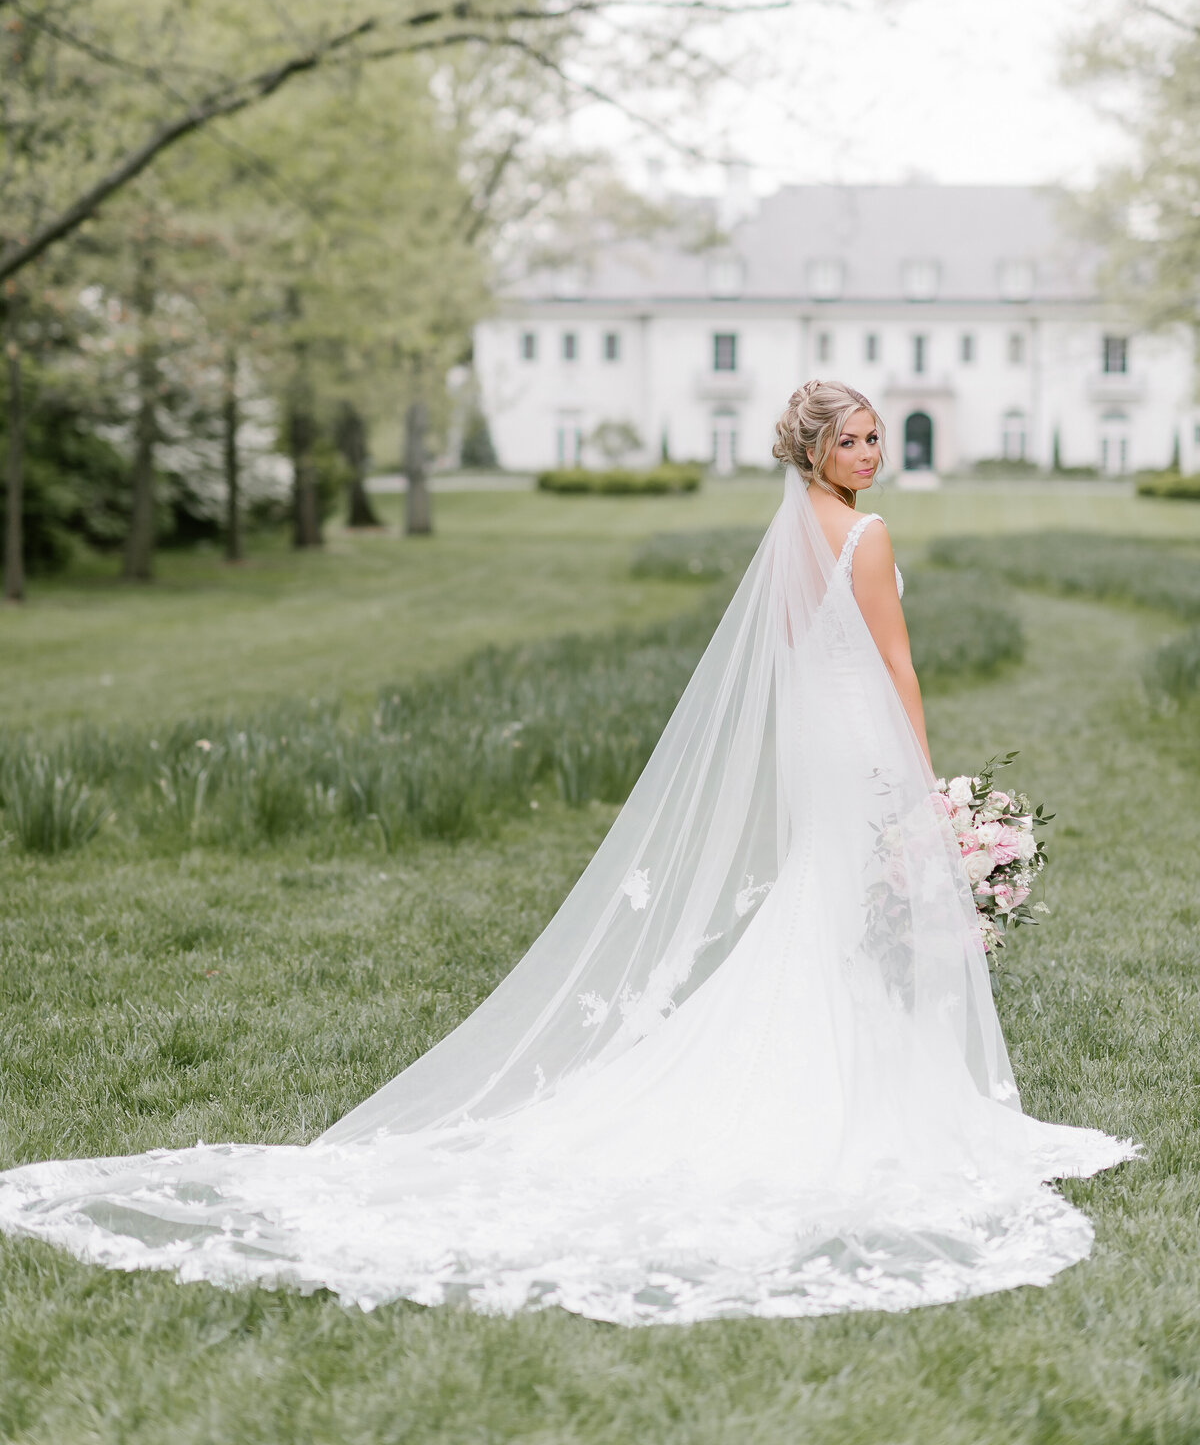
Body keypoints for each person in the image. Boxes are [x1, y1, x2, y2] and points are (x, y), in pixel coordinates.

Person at [0, 380, 1134, 1325]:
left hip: (814, 751)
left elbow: (792, 663)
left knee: (828, 908)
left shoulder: (788, 538)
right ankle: (872, 1093)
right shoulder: (868, 537)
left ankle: (853, 1072)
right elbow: (898, 666)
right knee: (854, 913)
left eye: (877, 434)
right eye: (854, 437)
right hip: (865, 749)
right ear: (816, 449)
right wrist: (929, 798)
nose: (872, 452)